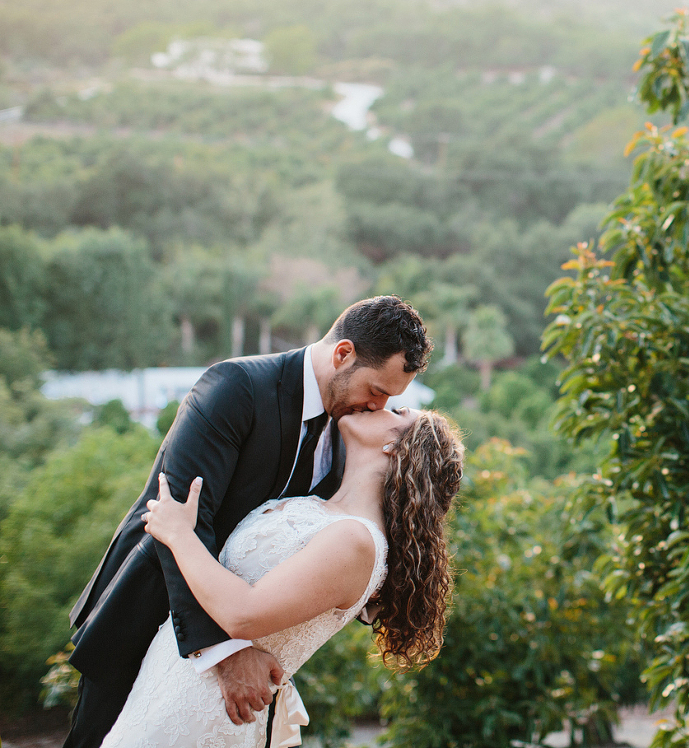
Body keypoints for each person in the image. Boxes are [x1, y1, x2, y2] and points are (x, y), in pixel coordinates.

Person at [64, 296, 432, 748]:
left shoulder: (349, 435)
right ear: (343, 354)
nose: (377, 406)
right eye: (376, 391)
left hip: (244, 671)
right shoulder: (235, 387)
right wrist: (224, 652)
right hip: (146, 620)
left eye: (391, 401)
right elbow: (176, 515)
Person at [100, 406, 464, 748]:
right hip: (170, 681)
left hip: (209, 707)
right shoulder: (319, 506)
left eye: (398, 411)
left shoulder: (358, 542)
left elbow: (243, 613)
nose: (379, 405)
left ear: (396, 447)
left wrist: (179, 535)